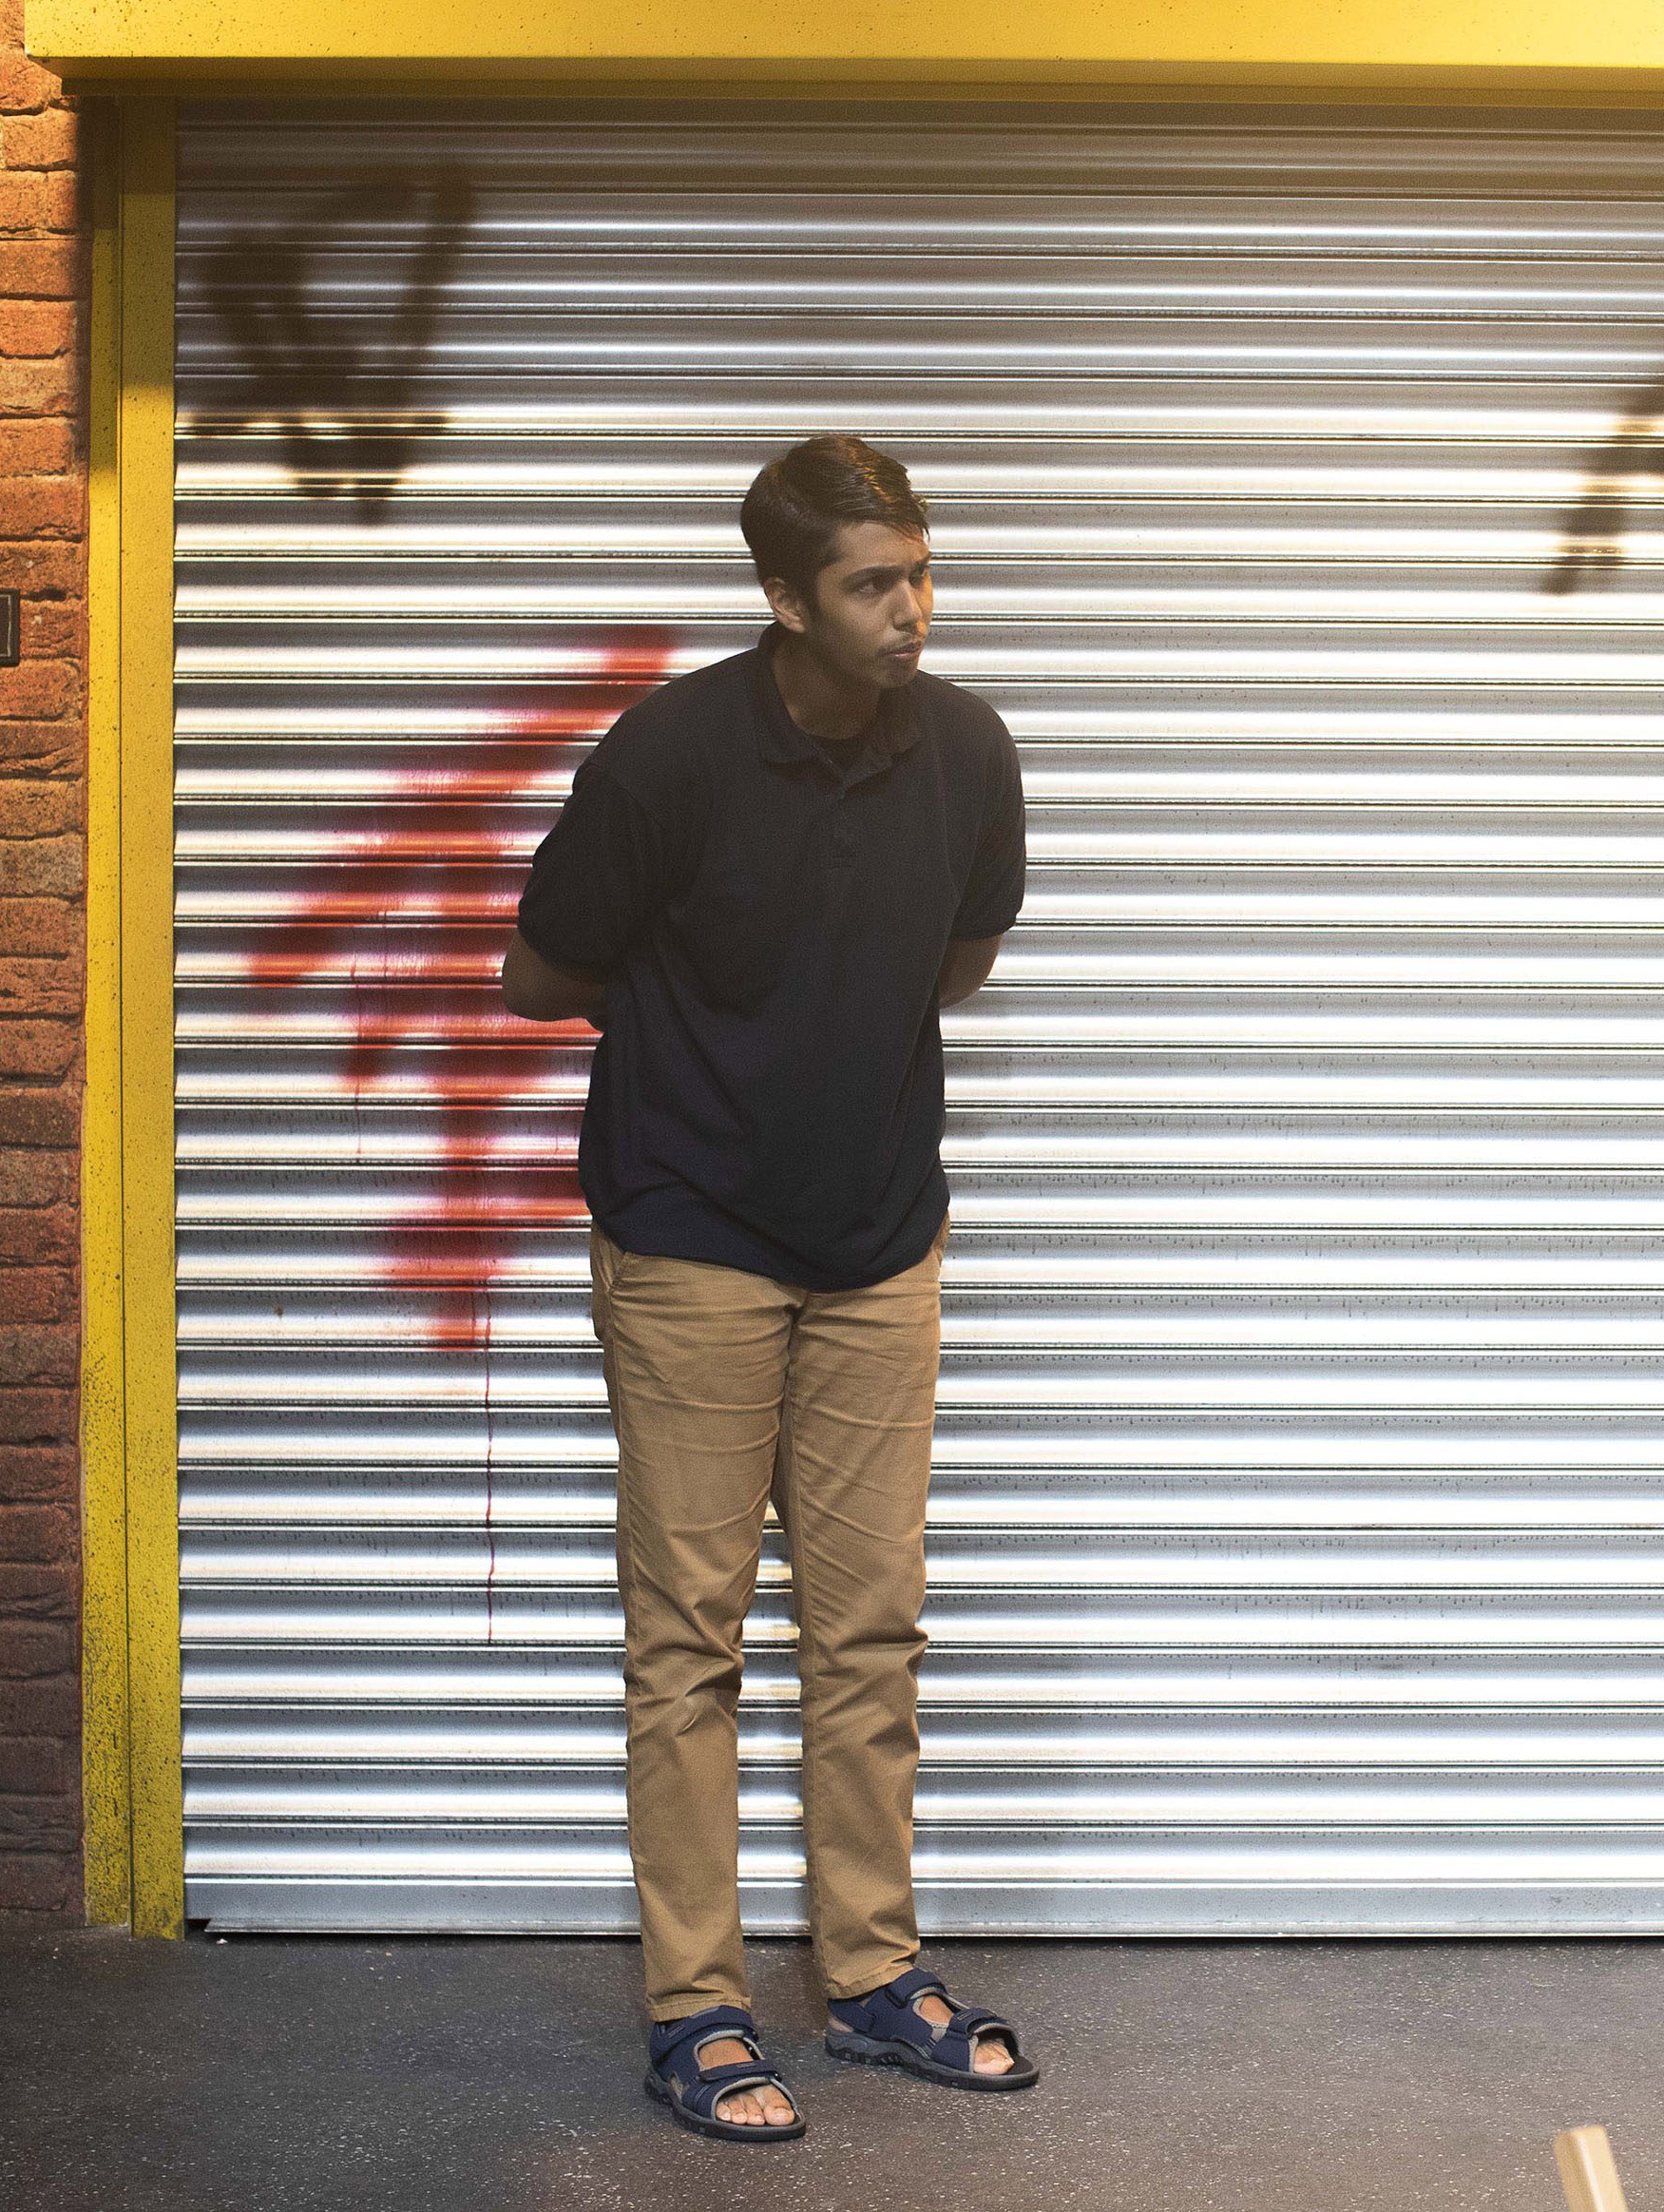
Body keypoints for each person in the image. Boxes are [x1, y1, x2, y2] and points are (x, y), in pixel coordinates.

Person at [504, 435, 1035, 2143]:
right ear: (786, 598)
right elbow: (537, 972)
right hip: (689, 1237)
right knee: (692, 1639)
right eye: (875, 583)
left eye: (921, 571)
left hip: (879, 1236)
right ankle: (699, 2006)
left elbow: (957, 962)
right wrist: (701, 1033)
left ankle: (871, 1969)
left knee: (871, 1626)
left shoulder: (966, 752)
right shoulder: (669, 756)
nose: (913, 609)